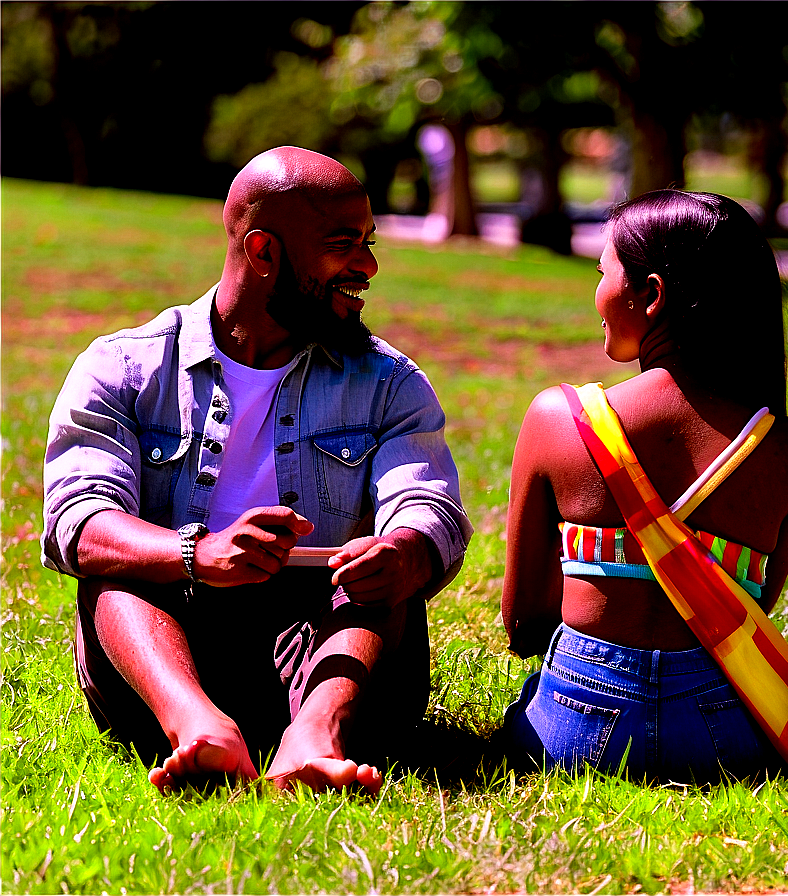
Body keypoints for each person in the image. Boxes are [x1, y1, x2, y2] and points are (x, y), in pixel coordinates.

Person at [41, 146, 472, 797]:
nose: (369, 266)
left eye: (368, 242)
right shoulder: (124, 370)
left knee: (379, 585)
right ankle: (198, 729)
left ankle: (315, 737)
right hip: (170, 655)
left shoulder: (389, 383)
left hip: (333, 655)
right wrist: (198, 553)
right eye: (343, 245)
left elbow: (429, 510)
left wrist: (402, 553)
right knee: (117, 569)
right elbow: (79, 524)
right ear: (265, 252)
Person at [500, 189, 788, 786]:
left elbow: (523, 624)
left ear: (651, 296)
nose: (596, 296)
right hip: (721, 735)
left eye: (602, 273)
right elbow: (744, 614)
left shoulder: (558, 420)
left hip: (575, 730)